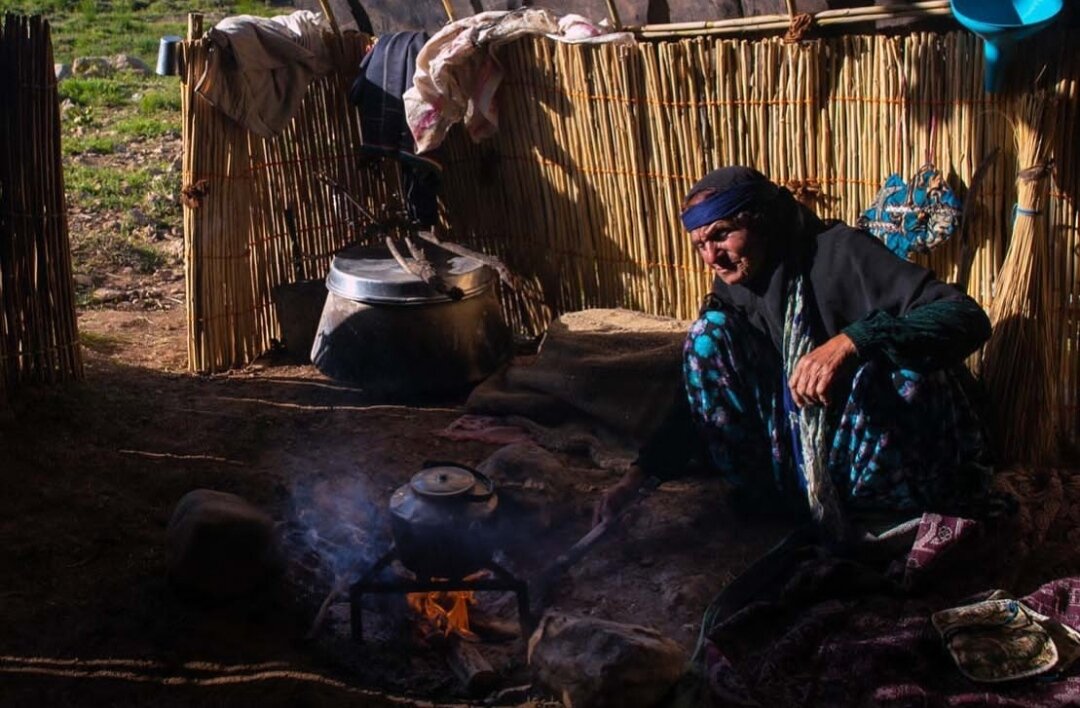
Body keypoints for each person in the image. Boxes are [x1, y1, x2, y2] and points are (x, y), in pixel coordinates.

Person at [595, 166, 1003, 537]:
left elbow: (966, 316)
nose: (712, 258)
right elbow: (701, 397)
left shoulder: (841, 254)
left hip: (867, 449)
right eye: (701, 245)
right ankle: (771, 505)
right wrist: (638, 478)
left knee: (904, 368)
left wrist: (854, 340)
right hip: (797, 460)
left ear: (761, 221)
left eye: (721, 235)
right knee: (707, 337)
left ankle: (886, 513)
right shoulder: (736, 287)